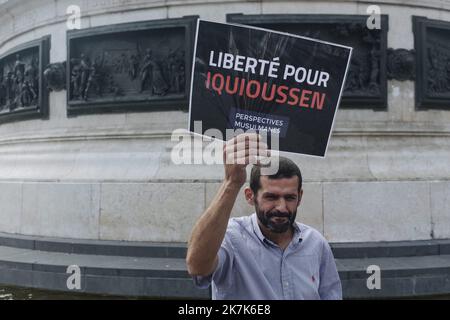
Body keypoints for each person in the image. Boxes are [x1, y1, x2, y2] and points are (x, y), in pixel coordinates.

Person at [186, 133, 342, 300]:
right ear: (250, 196)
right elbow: (197, 266)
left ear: (300, 197)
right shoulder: (231, 238)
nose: (282, 208)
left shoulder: (316, 243)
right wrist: (231, 183)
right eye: (271, 197)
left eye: (289, 198)